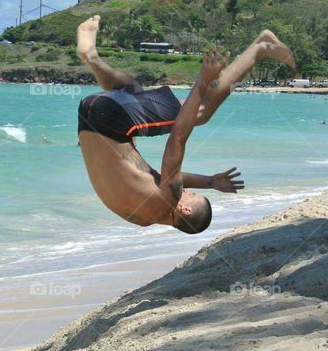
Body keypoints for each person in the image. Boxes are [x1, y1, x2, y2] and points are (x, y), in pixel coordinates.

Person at [75, 16, 294, 234]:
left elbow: (177, 138)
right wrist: (210, 181)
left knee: (202, 112)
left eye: (191, 195)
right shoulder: (142, 217)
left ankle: (261, 47)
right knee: (132, 91)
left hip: (111, 119)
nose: (187, 191)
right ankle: (91, 57)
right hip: (90, 115)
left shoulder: (169, 198)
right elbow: (166, 178)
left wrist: (203, 81)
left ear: (185, 210)